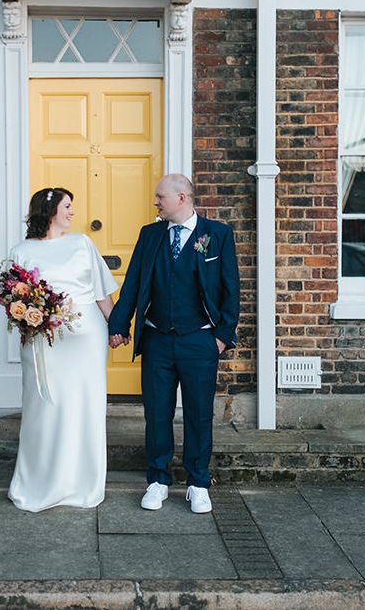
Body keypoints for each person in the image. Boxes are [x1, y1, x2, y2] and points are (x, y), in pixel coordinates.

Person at [108, 174, 239, 514]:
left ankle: (198, 483)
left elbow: (231, 289)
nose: (156, 202)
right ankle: (158, 480)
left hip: (200, 341)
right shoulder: (150, 235)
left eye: (160, 196)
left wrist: (222, 337)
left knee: (198, 415)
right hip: (157, 340)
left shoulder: (217, 235)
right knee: (157, 414)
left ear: (182, 198)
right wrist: (119, 325)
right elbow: (134, 282)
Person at [7, 187, 118, 512]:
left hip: (86, 341)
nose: (72, 212)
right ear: (50, 208)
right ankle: (40, 481)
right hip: (43, 341)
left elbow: (101, 293)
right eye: (68, 206)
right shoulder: (20, 250)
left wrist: (117, 328)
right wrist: (33, 318)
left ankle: (82, 482)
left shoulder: (83, 243)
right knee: (45, 407)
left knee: (84, 407)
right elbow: (13, 298)